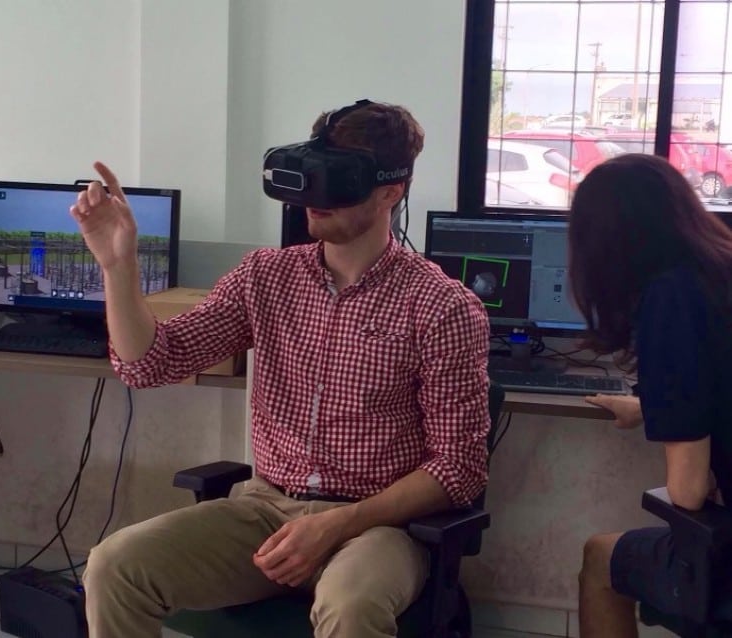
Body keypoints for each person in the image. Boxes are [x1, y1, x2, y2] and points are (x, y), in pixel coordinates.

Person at [70, 101, 491, 638]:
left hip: (378, 526)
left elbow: (458, 468)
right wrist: (117, 265)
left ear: (391, 191)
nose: (314, 199)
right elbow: (150, 365)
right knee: (114, 567)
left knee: (350, 606)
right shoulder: (264, 277)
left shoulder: (440, 305)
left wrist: (339, 523)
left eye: (337, 181)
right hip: (267, 510)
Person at [568, 153, 732, 638]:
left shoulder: (670, 300)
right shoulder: (718, 272)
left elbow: (688, 491)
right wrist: (648, 408)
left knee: (600, 559)